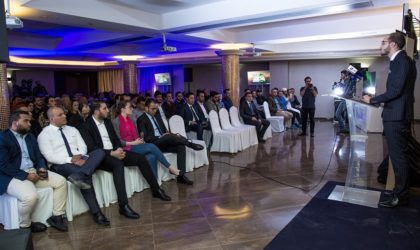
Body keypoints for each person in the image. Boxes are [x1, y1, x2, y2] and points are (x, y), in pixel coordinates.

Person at [362, 32, 417, 208]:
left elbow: (396, 90)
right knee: (397, 157)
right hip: (396, 114)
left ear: (393, 44)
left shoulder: (401, 61)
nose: (381, 44)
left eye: (383, 42)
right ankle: (398, 193)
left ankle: (400, 197)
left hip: (397, 117)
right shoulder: (402, 61)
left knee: (399, 158)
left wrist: (373, 100)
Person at [80, 101, 171, 202]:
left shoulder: (107, 122)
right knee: (118, 164)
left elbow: (115, 139)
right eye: (104, 108)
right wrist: (112, 153)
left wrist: (118, 149)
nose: (108, 110)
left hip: (116, 151)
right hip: (102, 156)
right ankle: (123, 205)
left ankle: (156, 190)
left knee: (141, 158)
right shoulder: (86, 126)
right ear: (96, 111)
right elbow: (92, 148)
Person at [37, 107, 109, 226]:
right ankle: (97, 213)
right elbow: (50, 157)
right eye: (60, 115)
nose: (65, 116)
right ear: (51, 119)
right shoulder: (44, 135)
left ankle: (81, 174)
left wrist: (80, 157)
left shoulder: (72, 129)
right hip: (60, 165)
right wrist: (70, 159)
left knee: (99, 152)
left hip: (80, 159)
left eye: (64, 114)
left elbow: (83, 146)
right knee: (86, 177)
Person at [0, 111, 68, 232]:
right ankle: (25, 225)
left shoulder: (30, 136)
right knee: (30, 197)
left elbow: (39, 157)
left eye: (29, 121)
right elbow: (3, 165)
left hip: (33, 171)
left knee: (61, 182)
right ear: (15, 124)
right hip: (13, 175)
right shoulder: (3, 138)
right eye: (25, 121)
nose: (29, 124)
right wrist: (26, 176)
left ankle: (57, 216)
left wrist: (41, 167)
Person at [137, 99, 205, 185]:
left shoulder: (157, 116)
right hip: (153, 145)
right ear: (146, 108)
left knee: (180, 146)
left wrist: (168, 135)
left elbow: (164, 131)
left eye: (156, 109)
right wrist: (161, 136)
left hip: (164, 142)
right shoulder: (141, 119)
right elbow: (145, 138)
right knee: (169, 136)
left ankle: (181, 176)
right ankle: (190, 144)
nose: (155, 111)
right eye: (152, 109)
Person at [112, 100, 181, 178]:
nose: (132, 109)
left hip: (135, 145)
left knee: (152, 157)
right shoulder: (116, 122)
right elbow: (117, 141)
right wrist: (133, 143)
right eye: (129, 107)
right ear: (122, 109)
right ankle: (170, 168)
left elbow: (136, 135)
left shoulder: (130, 120)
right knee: (151, 146)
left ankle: (155, 183)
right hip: (126, 148)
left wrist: (140, 139)